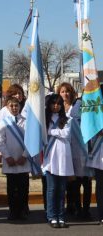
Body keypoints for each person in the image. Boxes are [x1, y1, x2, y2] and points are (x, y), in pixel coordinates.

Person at [58, 82, 91, 220]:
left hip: (81, 149)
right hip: (65, 150)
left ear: (72, 93)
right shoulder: (58, 109)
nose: (65, 94)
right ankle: (74, 207)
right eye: (62, 91)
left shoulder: (78, 107)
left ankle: (85, 210)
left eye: (68, 91)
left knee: (85, 180)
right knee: (72, 182)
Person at [0, 97, 32, 220]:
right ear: (7, 107)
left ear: (20, 107)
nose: (14, 108)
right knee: (11, 189)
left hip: (23, 160)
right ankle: (13, 211)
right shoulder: (3, 122)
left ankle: (22, 210)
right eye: (11, 106)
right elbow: (0, 142)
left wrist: (24, 156)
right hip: (10, 161)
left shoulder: (26, 122)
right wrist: (7, 157)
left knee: (23, 188)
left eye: (16, 105)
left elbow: (30, 141)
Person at [42, 94, 73, 228]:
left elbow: (66, 134)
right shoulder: (45, 119)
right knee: (52, 189)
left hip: (64, 157)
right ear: (49, 105)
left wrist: (52, 131)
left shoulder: (67, 119)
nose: (56, 106)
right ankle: (51, 216)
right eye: (53, 103)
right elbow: (44, 132)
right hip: (51, 157)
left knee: (61, 189)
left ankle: (61, 216)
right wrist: (54, 131)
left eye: (59, 103)